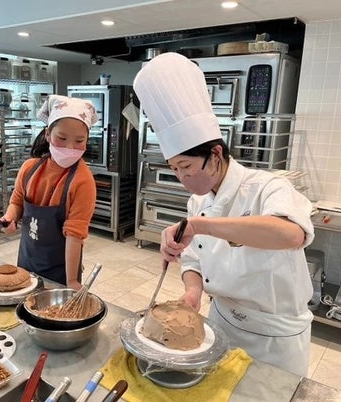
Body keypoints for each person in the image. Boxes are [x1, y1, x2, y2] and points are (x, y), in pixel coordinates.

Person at [133, 52, 315, 377]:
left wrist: (201, 226)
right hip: (219, 325)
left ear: (215, 154)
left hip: (274, 337)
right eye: (175, 169)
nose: (182, 178)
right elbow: (193, 260)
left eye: (186, 166)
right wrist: (193, 290)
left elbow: (291, 234)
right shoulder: (197, 202)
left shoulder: (265, 187)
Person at [0, 95, 98, 289]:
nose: (70, 147)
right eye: (62, 138)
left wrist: (71, 281)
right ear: (47, 134)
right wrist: (9, 217)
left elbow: (75, 234)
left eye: (79, 141)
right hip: (27, 260)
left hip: (61, 270)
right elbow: (17, 202)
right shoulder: (29, 169)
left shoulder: (83, 181)